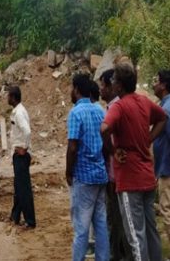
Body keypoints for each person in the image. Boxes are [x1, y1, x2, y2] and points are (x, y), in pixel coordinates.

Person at [101, 63, 167, 261]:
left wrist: (113, 150)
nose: (112, 85)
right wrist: (148, 138)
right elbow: (162, 118)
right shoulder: (144, 102)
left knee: (135, 235)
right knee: (151, 230)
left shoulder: (119, 106)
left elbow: (104, 129)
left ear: (119, 86)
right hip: (147, 176)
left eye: (113, 82)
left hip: (129, 180)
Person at [66, 73, 109, 261]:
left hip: (83, 176)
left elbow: (73, 146)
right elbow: (107, 143)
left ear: (76, 89)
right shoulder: (100, 111)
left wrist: (68, 171)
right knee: (100, 224)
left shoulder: (75, 113)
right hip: (101, 174)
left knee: (81, 228)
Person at [98, 69, 132, 261]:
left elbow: (110, 139)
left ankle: (121, 255)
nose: (101, 89)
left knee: (119, 219)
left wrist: (112, 172)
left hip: (117, 174)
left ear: (112, 86)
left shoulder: (116, 109)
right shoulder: (113, 108)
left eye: (103, 85)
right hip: (115, 173)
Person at [7, 85, 36, 229]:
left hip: (21, 155)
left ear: (13, 97)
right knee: (18, 187)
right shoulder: (18, 111)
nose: (6, 98)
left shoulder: (18, 113)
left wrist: (24, 148)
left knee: (23, 188)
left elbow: (27, 131)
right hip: (18, 154)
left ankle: (30, 221)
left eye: (8, 96)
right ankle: (15, 216)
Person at [152, 70, 170, 250]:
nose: (153, 84)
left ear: (164, 85)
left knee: (167, 210)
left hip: (167, 168)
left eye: (156, 81)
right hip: (164, 166)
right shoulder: (164, 105)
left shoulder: (166, 109)